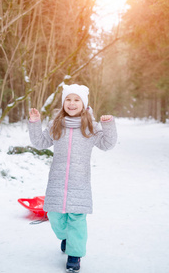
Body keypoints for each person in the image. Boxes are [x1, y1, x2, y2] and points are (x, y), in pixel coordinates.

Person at [28, 84, 117, 272]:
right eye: (68, 99)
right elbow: (39, 142)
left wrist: (108, 125)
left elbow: (107, 144)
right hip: (57, 182)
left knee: (77, 219)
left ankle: (74, 255)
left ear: (84, 104)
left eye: (77, 100)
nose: (72, 103)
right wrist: (35, 123)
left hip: (80, 182)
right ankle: (67, 238)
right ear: (63, 103)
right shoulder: (56, 125)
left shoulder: (91, 127)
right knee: (54, 216)